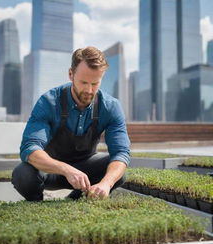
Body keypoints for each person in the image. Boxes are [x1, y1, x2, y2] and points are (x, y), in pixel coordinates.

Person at [12, 46, 131, 201]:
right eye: (83, 82)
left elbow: (121, 152)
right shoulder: (48, 102)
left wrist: (106, 184)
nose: (89, 90)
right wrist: (66, 170)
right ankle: (37, 204)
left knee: (117, 170)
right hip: (50, 172)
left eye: (95, 83)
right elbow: (29, 148)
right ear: (71, 74)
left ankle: (76, 198)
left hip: (85, 174)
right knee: (23, 174)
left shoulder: (110, 107)